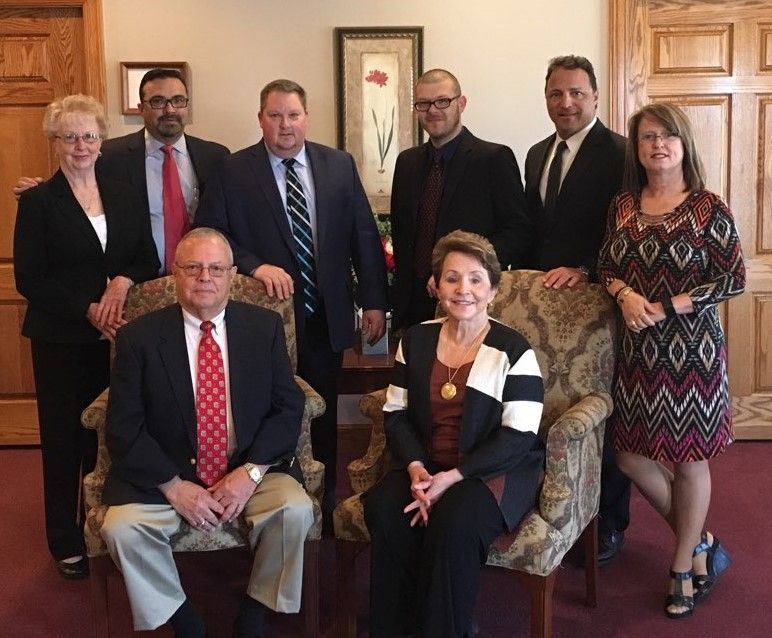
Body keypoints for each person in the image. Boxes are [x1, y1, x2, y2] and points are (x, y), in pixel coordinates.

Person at [100, 228, 313, 637]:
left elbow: (288, 407)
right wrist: (173, 486)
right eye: (193, 268)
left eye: (216, 268)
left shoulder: (263, 327)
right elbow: (124, 426)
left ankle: (254, 611)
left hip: (247, 466)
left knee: (295, 510)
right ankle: (184, 620)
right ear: (175, 274)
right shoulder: (139, 338)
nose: (205, 278)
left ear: (232, 275)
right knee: (121, 529)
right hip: (168, 472)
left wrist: (249, 474)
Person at [195, 79, 388, 523]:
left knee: (321, 413)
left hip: (326, 316)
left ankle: (321, 506)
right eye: (275, 115)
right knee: (263, 411)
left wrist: (374, 302)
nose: (285, 124)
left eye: (293, 115)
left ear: (307, 117)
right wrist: (254, 265)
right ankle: (262, 504)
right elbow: (211, 233)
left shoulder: (338, 165)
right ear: (260, 118)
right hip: (259, 321)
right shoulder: (233, 170)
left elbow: (364, 235)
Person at [598, 103, 745, 619]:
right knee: (629, 456)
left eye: (667, 136)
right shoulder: (622, 205)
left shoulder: (708, 207)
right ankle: (702, 539)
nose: (657, 144)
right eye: (646, 137)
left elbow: (733, 279)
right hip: (638, 352)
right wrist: (624, 295)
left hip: (693, 353)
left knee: (689, 459)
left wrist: (667, 306)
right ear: (636, 149)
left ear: (683, 143)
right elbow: (605, 266)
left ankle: (682, 564)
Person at [364, 230, 545, 637]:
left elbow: (520, 436)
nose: (464, 289)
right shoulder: (416, 339)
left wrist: (453, 477)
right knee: (385, 509)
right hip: (425, 466)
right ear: (437, 286)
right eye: (452, 278)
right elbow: (395, 414)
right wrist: (415, 469)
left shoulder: (513, 349)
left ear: (493, 289)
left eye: (476, 279)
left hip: (490, 472)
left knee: (454, 522)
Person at [13, 94, 159, 580]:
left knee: (115, 435)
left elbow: (145, 257)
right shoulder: (37, 201)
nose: (81, 145)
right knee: (64, 439)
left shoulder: (122, 192)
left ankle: (110, 528)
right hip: (61, 340)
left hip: (121, 340)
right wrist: (88, 309)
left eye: (89, 135)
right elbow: (30, 279)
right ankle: (66, 539)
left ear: (102, 141)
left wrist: (121, 282)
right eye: (70, 136)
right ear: (55, 142)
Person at [524, 54, 630, 564]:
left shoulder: (621, 153)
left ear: (594, 95)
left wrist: (587, 269)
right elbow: (535, 231)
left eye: (575, 93)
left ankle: (608, 522)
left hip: (598, 305)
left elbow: (627, 234)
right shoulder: (536, 153)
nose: (565, 103)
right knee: (551, 412)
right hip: (546, 313)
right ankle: (558, 510)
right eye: (555, 94)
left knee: (600, 413)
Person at [15, 68, 229, 274]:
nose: (170, 109)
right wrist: (39, 192)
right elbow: (74, 187)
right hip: (135, 283)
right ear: (141, 108)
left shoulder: (216, 157)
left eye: (178, 100)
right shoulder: (108, 155)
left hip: (200, 280)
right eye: (158, 101)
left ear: (186, 106)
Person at [390, 69, 531, 329]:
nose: (433, 110)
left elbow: (517, 233)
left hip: (468, 304)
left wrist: (459, 273)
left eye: (443, 101)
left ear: (461, 103)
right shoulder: (406, 163)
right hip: (412, 306)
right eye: (424, 103)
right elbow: (401, 234)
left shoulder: (493, 159)